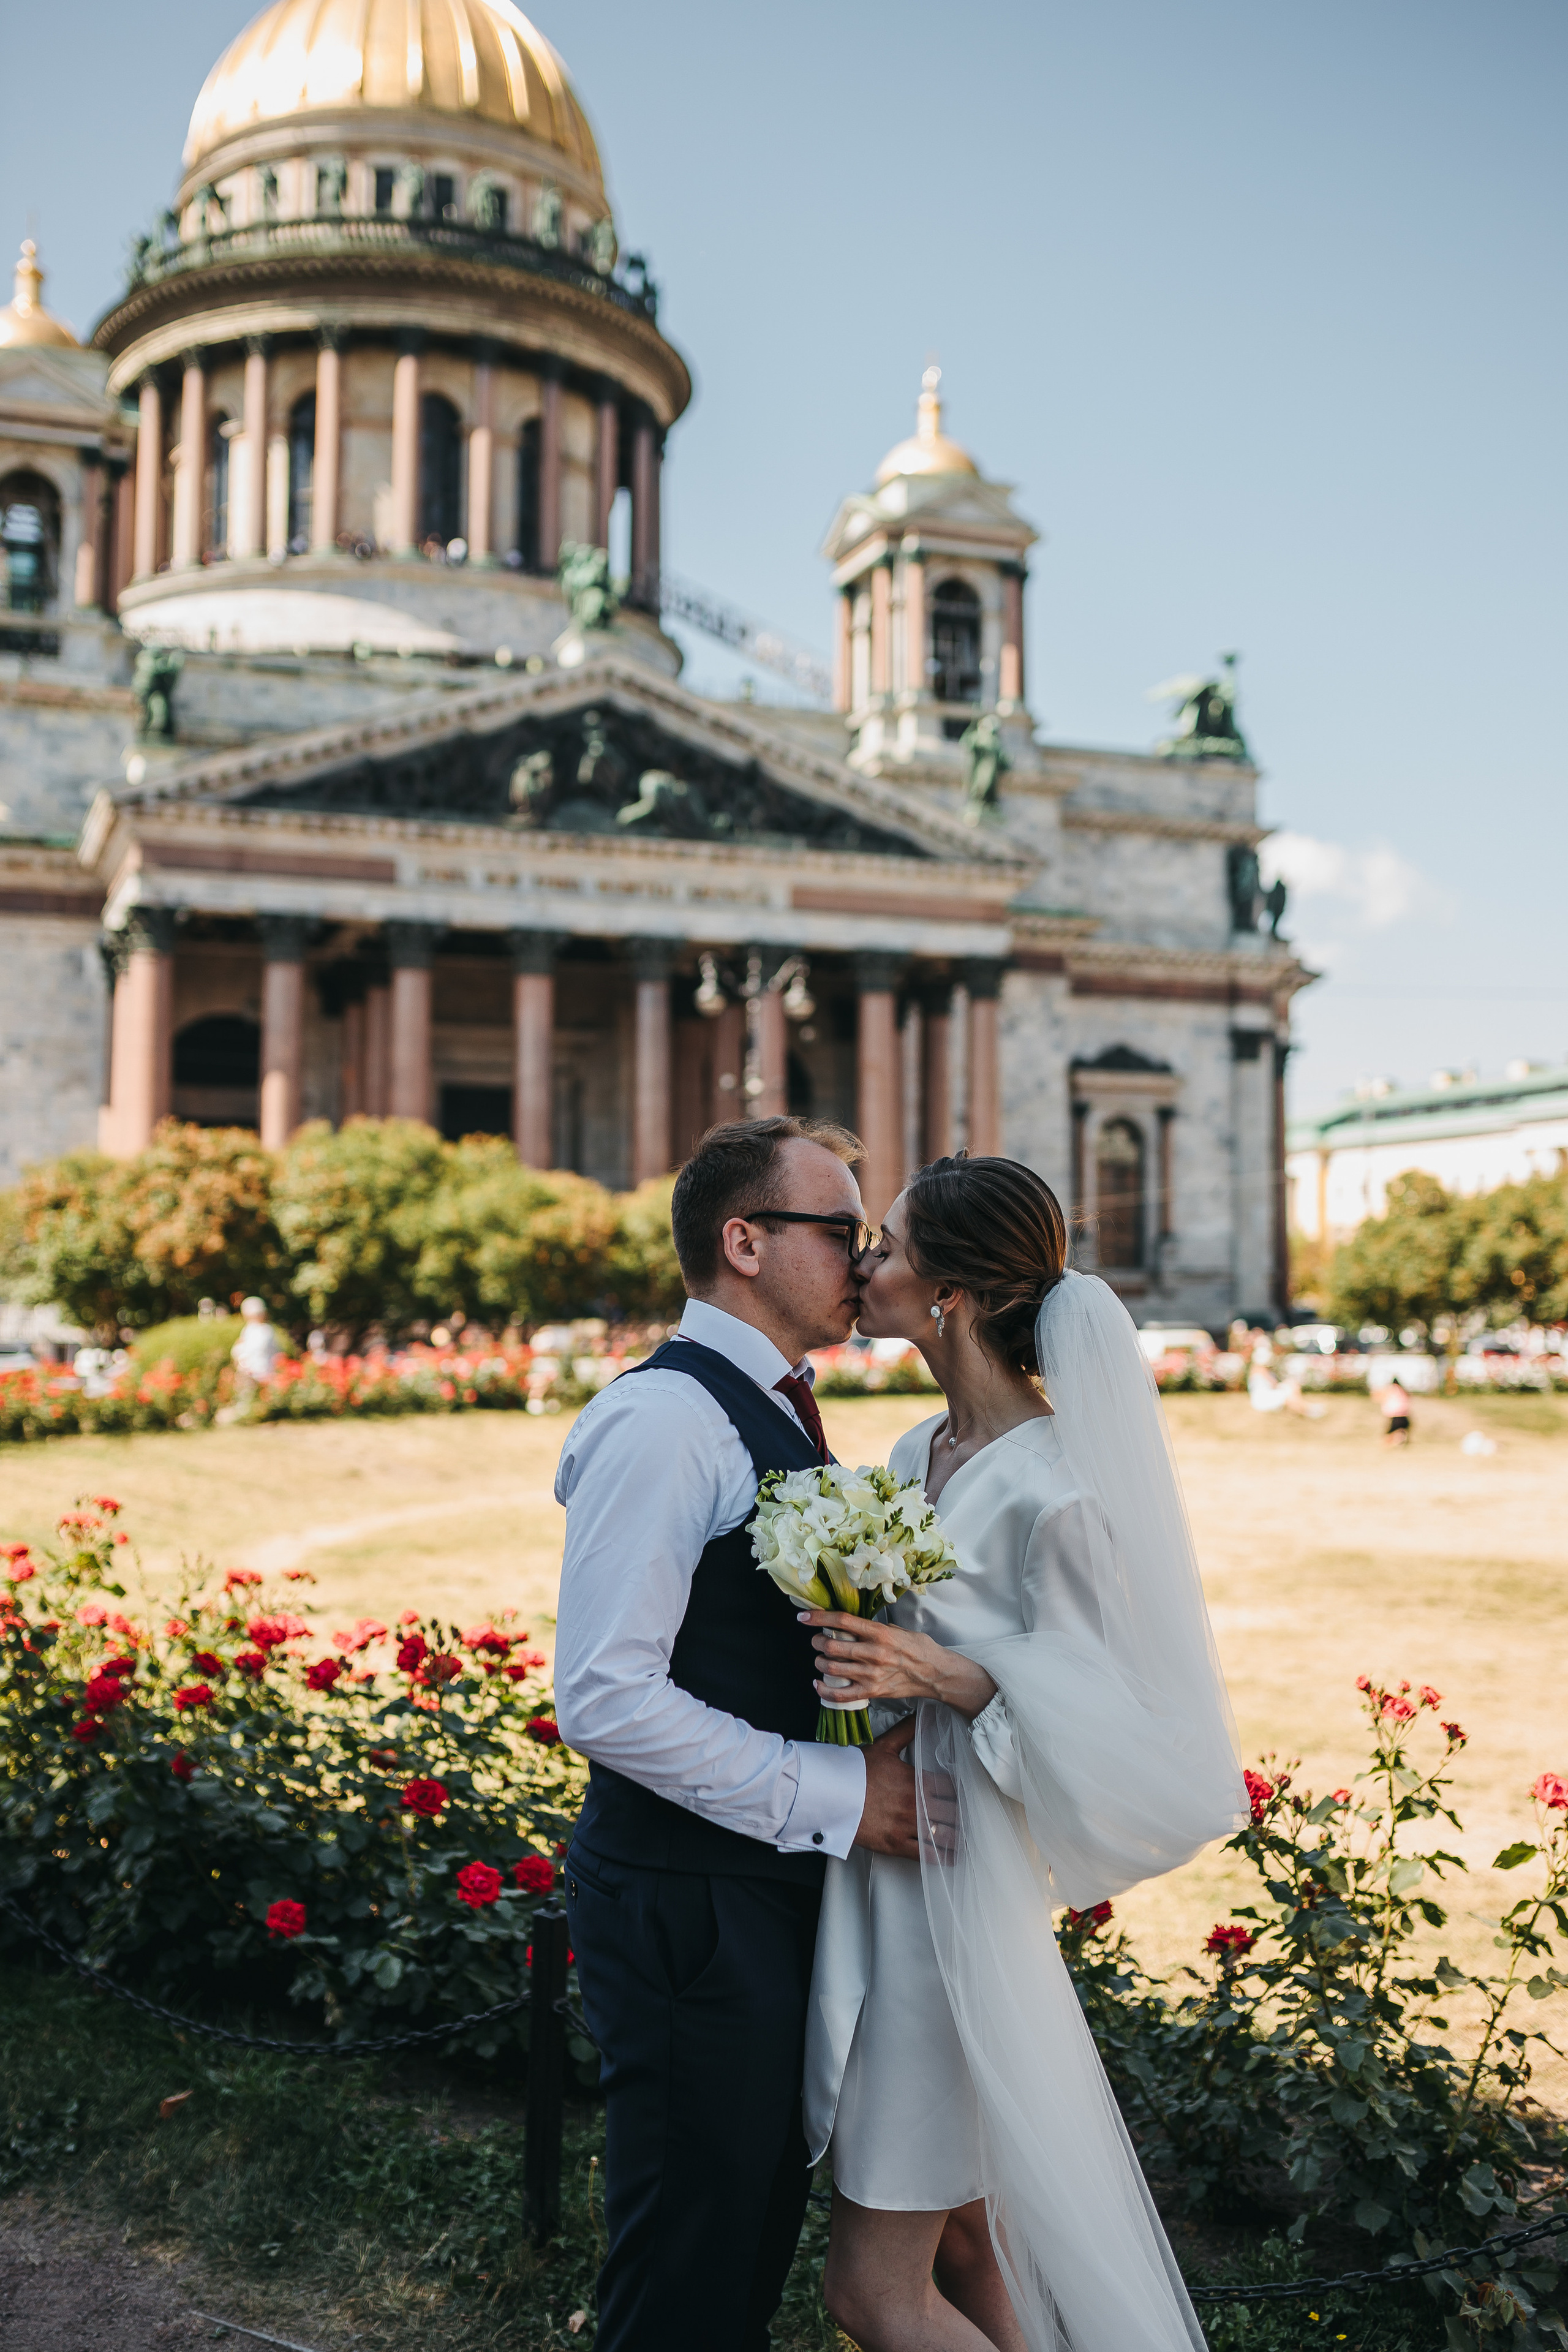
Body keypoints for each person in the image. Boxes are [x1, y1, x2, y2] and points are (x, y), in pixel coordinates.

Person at [802, 1155, 1247, 2352]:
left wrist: (939, 1674)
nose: (862, 1265)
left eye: (884, 1246)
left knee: (868, 2292)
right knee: (967, 2243)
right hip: (879, 1852)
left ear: (944, 1293)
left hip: (958, 1892)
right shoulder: (906, 1456)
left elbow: (1127, 1728)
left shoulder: (1057, 1494)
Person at [552, 1117, 924, 2352]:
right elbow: (604, 1697)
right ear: (744, 1241)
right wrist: (836, 1792)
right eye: (841, 1233)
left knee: (747, 2226)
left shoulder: (772, 1404)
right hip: (683, 1900)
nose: (863, 1263)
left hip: (750, 1885)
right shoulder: (668, 1419)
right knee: (687, 2262)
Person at [230, 1296, 282, 1396]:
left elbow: (262, 1352)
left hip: (263, 1373)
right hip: (249, 1374)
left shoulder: (266, 1331)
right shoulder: (248, 1330)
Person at [1379, 1377, 1412, 1447]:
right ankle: (1399, 1442)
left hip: (1394, 1414)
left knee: (1391, 1431)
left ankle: (1387, 1444)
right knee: (1402, 1429)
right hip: (1403, 1413)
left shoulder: (1390, 1389)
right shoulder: (1402, 1390)